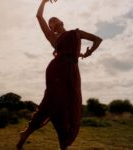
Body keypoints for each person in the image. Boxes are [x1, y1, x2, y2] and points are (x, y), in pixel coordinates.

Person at [17, 0, 102, 149]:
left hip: (72, 72)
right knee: (52, 101)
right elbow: (39, 16)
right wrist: (44, 1)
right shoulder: (53, 37)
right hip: (56, 71)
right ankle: (54, 141)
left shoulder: (76, 33)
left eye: (53, 20)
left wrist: (89, 53)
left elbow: (97, 39)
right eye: (50, 23)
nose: (51, 22)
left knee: (68, 106)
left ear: (61, 22)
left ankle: (30, 134)